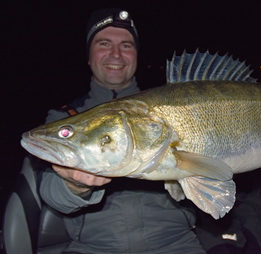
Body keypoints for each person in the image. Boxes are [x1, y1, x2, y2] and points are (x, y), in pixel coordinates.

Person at [39, 8, 206, 254]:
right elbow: (51, 194)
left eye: (126, 45)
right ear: (88, 55)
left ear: (137, 55)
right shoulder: (65, 118)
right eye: (104, 43)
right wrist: (75, 186)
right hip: (93, 248)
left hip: (177, 244)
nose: (116, 54)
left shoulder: (176, 106)